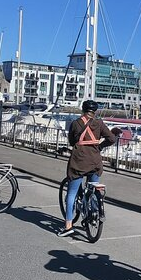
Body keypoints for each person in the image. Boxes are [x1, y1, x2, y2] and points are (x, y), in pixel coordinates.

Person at [58, 100, 116, 237]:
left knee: (71, 193)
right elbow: (112, 139)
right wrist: (100, 146)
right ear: (95, 111)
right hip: (95, 161)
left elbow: (72, 142)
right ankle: (94, 215)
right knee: (93, 187)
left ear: (83, 110)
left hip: (79, 162)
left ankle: (68, 226)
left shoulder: (76, 123)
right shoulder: (99, 124)